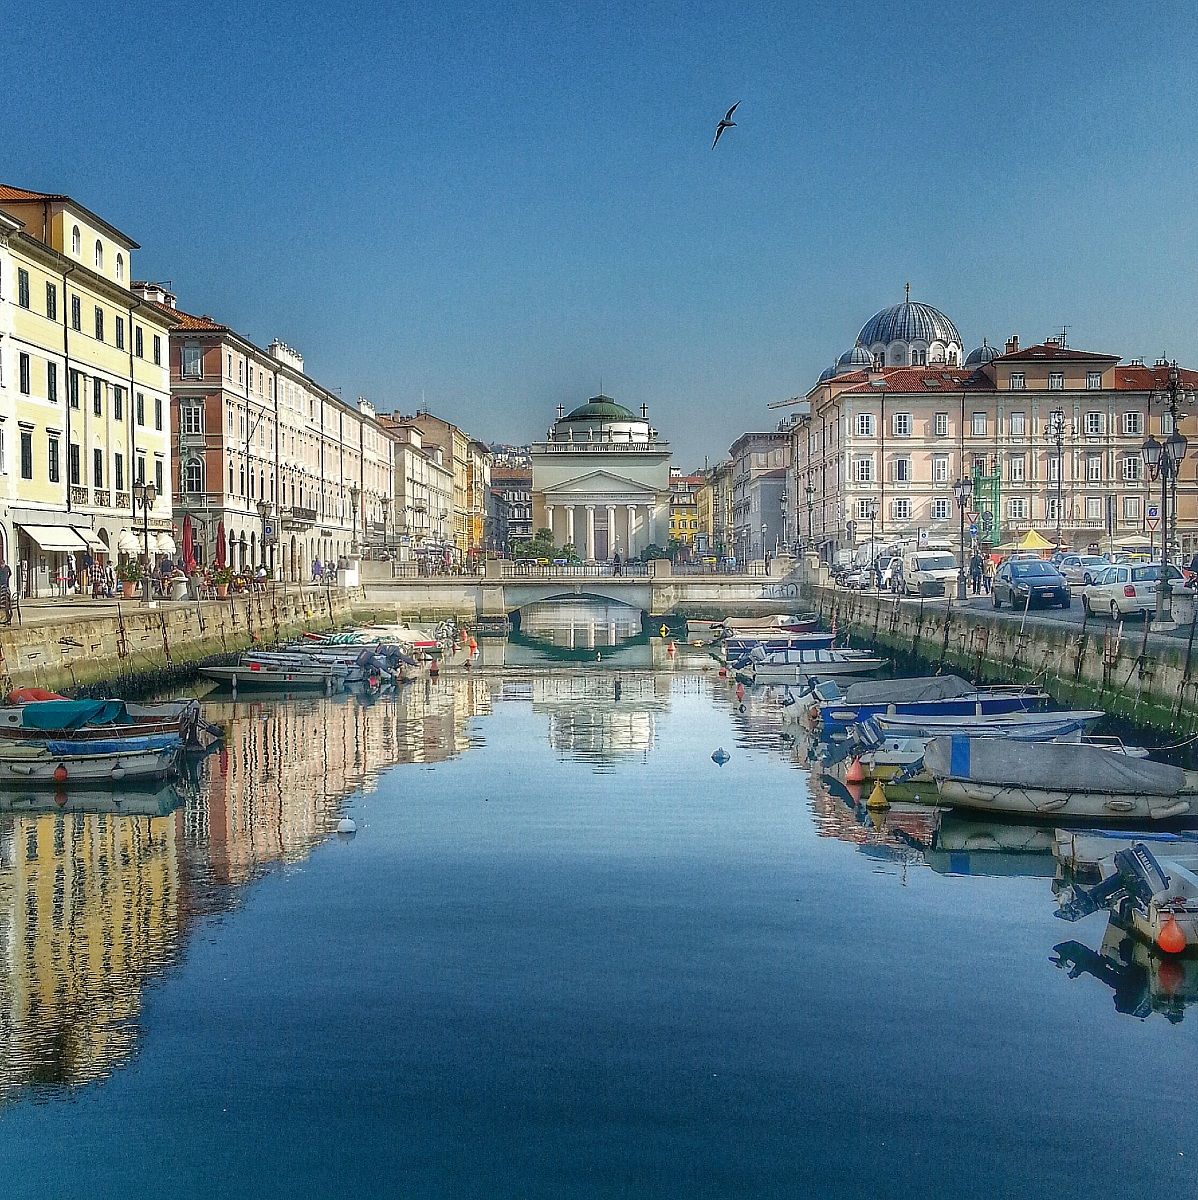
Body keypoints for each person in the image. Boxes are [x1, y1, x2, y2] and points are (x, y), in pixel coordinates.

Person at [0, 557, 12, 625]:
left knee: (7, 602)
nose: (2, 565)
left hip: (6, 585)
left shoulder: (7, 568)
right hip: (1, 585)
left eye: (2, 564)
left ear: (4, 564)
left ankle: (8, 619)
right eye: (1, 564)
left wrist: (7, 578)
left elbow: (10, 573)